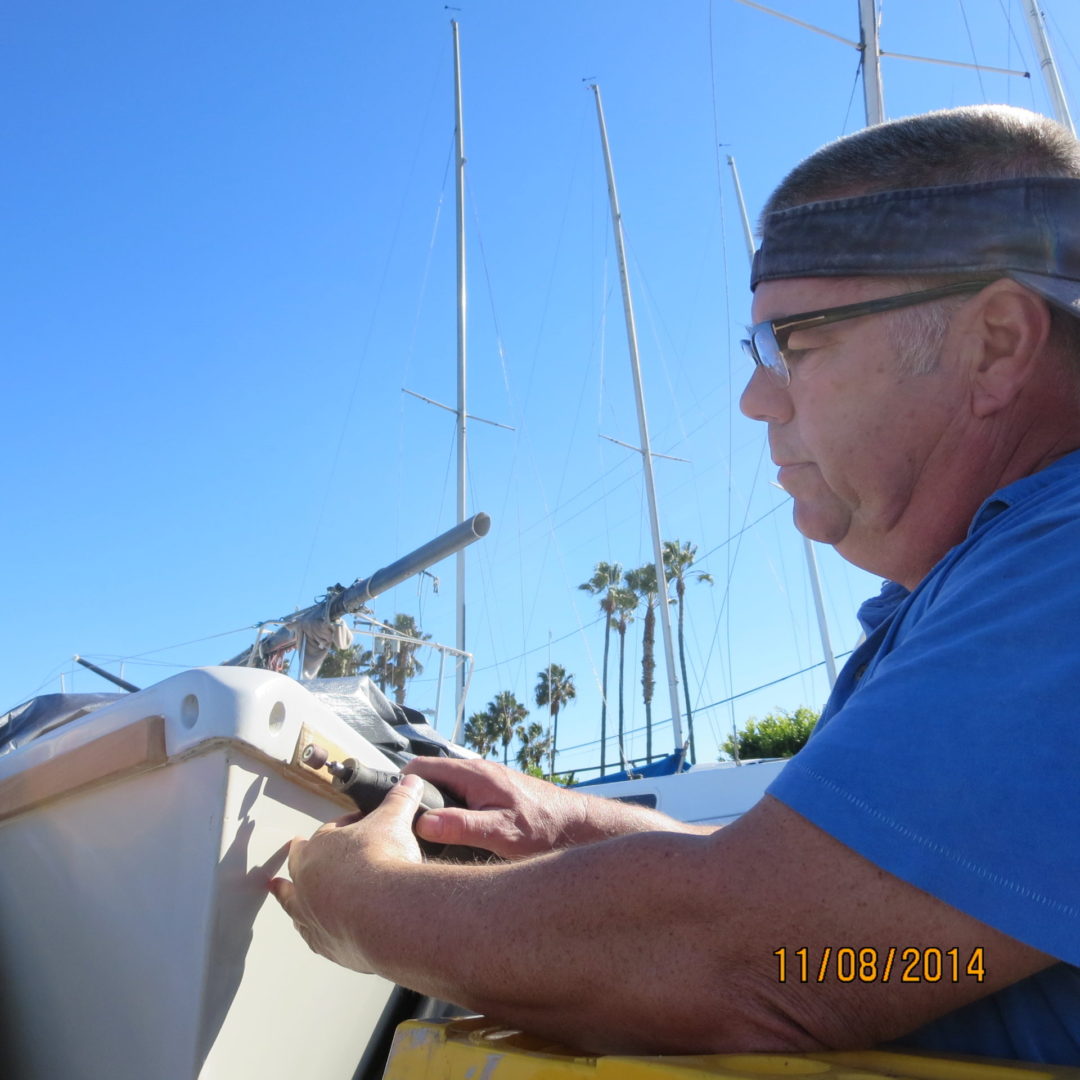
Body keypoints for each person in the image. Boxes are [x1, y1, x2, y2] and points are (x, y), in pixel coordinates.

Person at [271, 105, 1080, 1065]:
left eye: (797, 343)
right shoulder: (993, 582)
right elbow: (887, 938)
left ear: (993, 344)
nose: (755, 397)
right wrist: (573, 827)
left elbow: (776, 963)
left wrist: (364, 908)